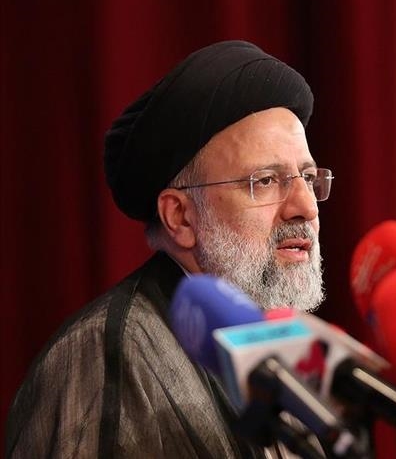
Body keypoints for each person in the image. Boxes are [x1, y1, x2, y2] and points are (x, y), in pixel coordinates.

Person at [5, 40, 332, 458]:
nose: (306, 207)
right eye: (265, 181)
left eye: (308, 178)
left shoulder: (277, 352)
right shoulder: (107, 356)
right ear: (180, 217)